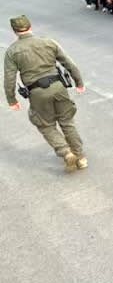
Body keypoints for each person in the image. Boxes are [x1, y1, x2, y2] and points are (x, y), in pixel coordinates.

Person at [4, 16, 87, 171]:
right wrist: (79, 82)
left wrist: (11, 99)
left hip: (37, 93)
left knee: (45, 124)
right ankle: (80, 158)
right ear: (30, 26)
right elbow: (69, 63)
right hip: (58, 87)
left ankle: (66, 152)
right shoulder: (48, 42)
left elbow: (9, 77)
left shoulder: (12, 51)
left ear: (15, 31)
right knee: (67, 121)